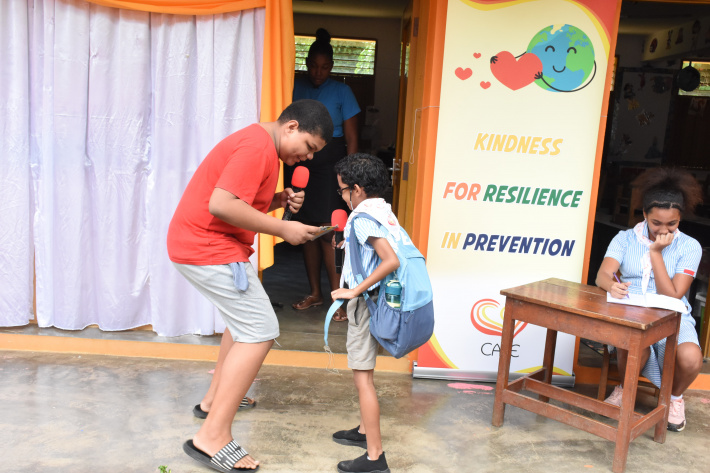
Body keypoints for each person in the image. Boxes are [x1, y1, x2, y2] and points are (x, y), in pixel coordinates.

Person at [167, 99, 333, 471]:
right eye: (308, 147)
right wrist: (284, 227)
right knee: (260, 329)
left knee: (242, 322)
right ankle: (212, 436)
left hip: (202, 244)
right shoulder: (258, 147)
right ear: (291, 127)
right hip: (207, 246)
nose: (307, 158)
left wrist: (278, 201)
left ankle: (214, 400)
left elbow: (238, 200)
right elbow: (221, 205)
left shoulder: (260, 146)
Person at [596, 167, 704, 432]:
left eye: (672, 224)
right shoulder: (624, 239)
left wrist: (656, 253)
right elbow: (601, 275)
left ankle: (673, 397)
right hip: (632, 308)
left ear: (680, 219)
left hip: (671, 313)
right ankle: (625, 387)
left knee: (691, 357)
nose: (663, 230)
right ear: (644, 214)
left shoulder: (690, 246)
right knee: (632, 342)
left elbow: (673, 294)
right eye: (656, 223)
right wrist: (612, 285)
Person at [329, 154, 399, 473]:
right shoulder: (381, 209)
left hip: (367, 302)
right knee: (365, 375)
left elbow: (389, 260)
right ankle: (362, 431)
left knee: (363, 378)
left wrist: (353, 291)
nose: (342, 196)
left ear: (357, 189)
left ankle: (375, 458)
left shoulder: (362, 217)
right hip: (380, 299)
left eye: (343, 190)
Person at [286, 27, 361, 322]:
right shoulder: (294, 85)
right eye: (314, 66)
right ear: (306, 64)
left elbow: (352, 138)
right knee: (306, 230)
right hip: (301, 162)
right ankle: (315, 293)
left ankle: (337, 296)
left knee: (329, 231)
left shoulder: (342, 91)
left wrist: (349, 174)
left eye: (325, 67)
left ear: (332, 66)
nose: (319, 73)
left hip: (332, 163)